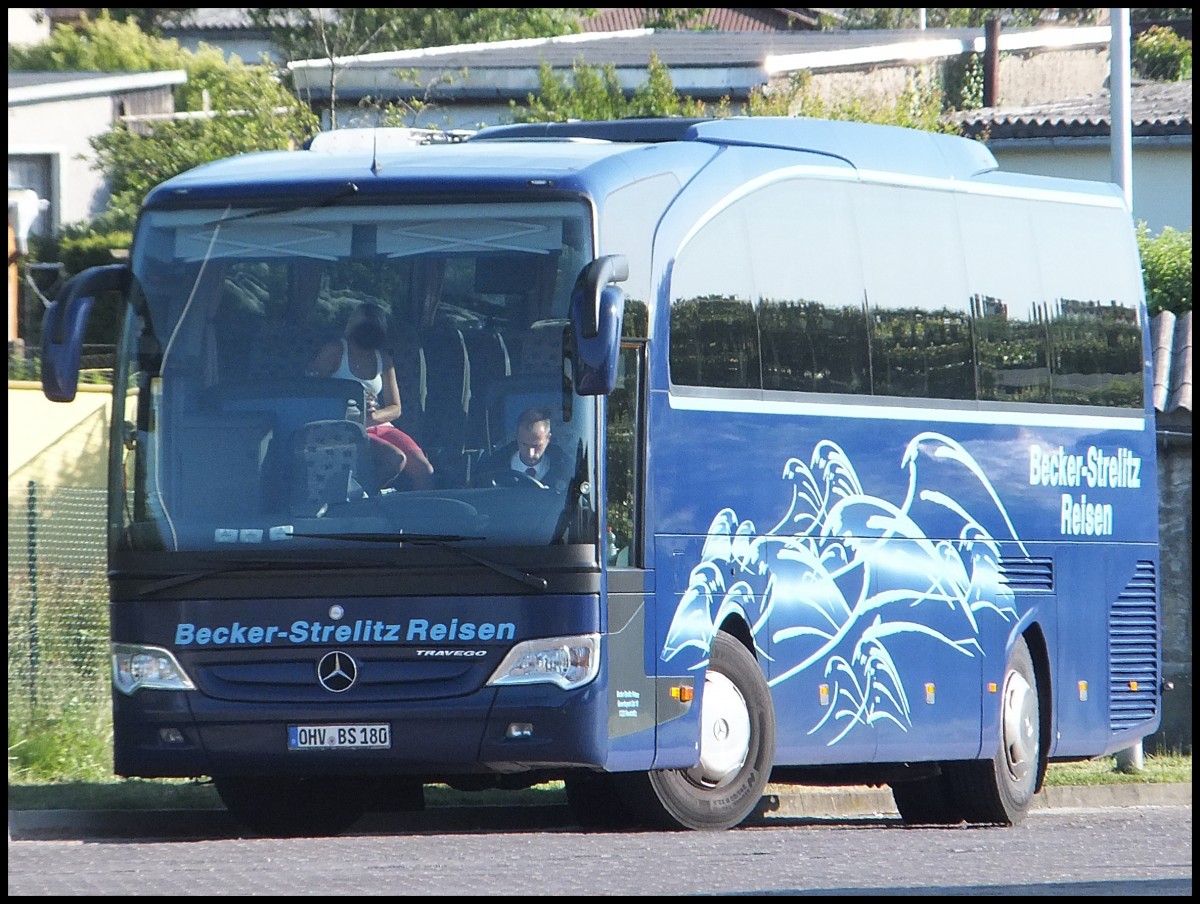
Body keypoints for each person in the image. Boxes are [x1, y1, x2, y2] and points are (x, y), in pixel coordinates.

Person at [310, 302, 435, 491]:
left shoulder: (383, 360)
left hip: (378, 424)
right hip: (345, 427)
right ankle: (358, 502)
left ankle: (421, 517)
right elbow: (310, 392)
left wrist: (374, 416)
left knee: (424, 470)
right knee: (394, 459)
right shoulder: (335, 351)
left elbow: (396, 407)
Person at [475, 406, 571, 489]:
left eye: (536, 445)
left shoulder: (567, 472)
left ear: (548, 438)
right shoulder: (491, 470)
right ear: (517, 437)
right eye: (524, 444)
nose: (530, 454)